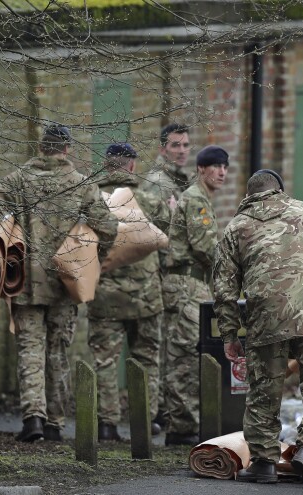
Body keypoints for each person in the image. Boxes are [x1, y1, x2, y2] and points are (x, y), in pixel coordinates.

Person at [0, 124, 118, 442]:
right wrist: (89, 259)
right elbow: (108, 227)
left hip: (23, 279)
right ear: (66, 149)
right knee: (58, 350)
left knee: (30, 349)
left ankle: (32, 418)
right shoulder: (79, 184)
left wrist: (7, 245)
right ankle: (55, 422)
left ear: (42, 147)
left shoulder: (16, 180)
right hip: (65, 281)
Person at [213, 169, 303, 487]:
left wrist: (230, 335)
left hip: (265, 321)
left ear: (248, 196)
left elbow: (223, 288)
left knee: (263, 393)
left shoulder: (236, 227)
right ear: (281, 191)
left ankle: (263, 463)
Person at [87, 143, 165, 441]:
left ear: (108, 166)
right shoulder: (150, 199)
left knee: (105, 360)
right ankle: (143, 423)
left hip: (105, 293)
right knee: (146, 358)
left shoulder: (92, 200)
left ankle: (106, 424)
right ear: (132, 166)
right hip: (146, 297)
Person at [161, 144, 228, 445]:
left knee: (189, 352)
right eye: (215, 166)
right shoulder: (197, 200)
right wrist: (234, 266)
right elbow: (205, 248)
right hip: (187, 285)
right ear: (201, 169)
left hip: (193, 284)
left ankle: (184, 423)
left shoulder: (198, 198)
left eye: (225, 166)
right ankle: (182, 427)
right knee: (186, 354)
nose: (222, 172)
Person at [137, 122, 192, 432]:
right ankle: (161, 413)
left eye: (185, 145)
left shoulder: (176, 182)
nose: (182, 151)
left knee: (170, 345)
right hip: (161, 273)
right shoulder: (158, 183)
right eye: (175, 145)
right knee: (166, 346)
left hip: (168, 274)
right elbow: (153, 232)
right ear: (162, 149)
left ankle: (162, 411)